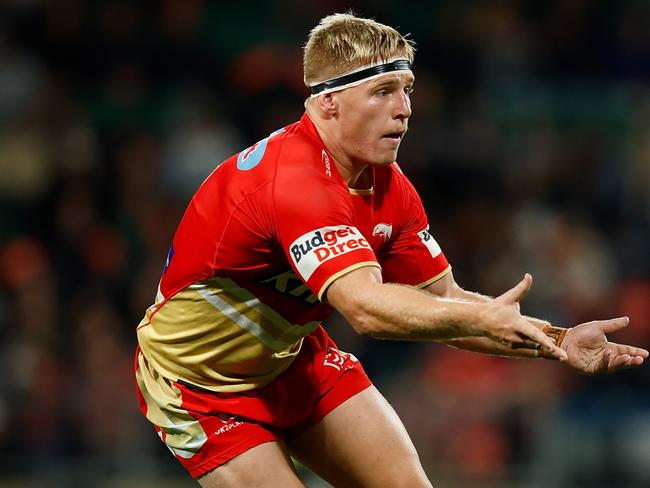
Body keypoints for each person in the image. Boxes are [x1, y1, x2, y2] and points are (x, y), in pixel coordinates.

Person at [134, 13, 648, 487]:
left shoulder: (388, 187)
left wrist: (557, 340)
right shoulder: (295, 182)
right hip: (199, 387)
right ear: (326, 101)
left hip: (291, 362)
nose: (404, 109)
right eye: (382, 91)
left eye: (407, 90)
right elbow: (366, 309)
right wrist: (480, 321)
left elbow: (448, 299)